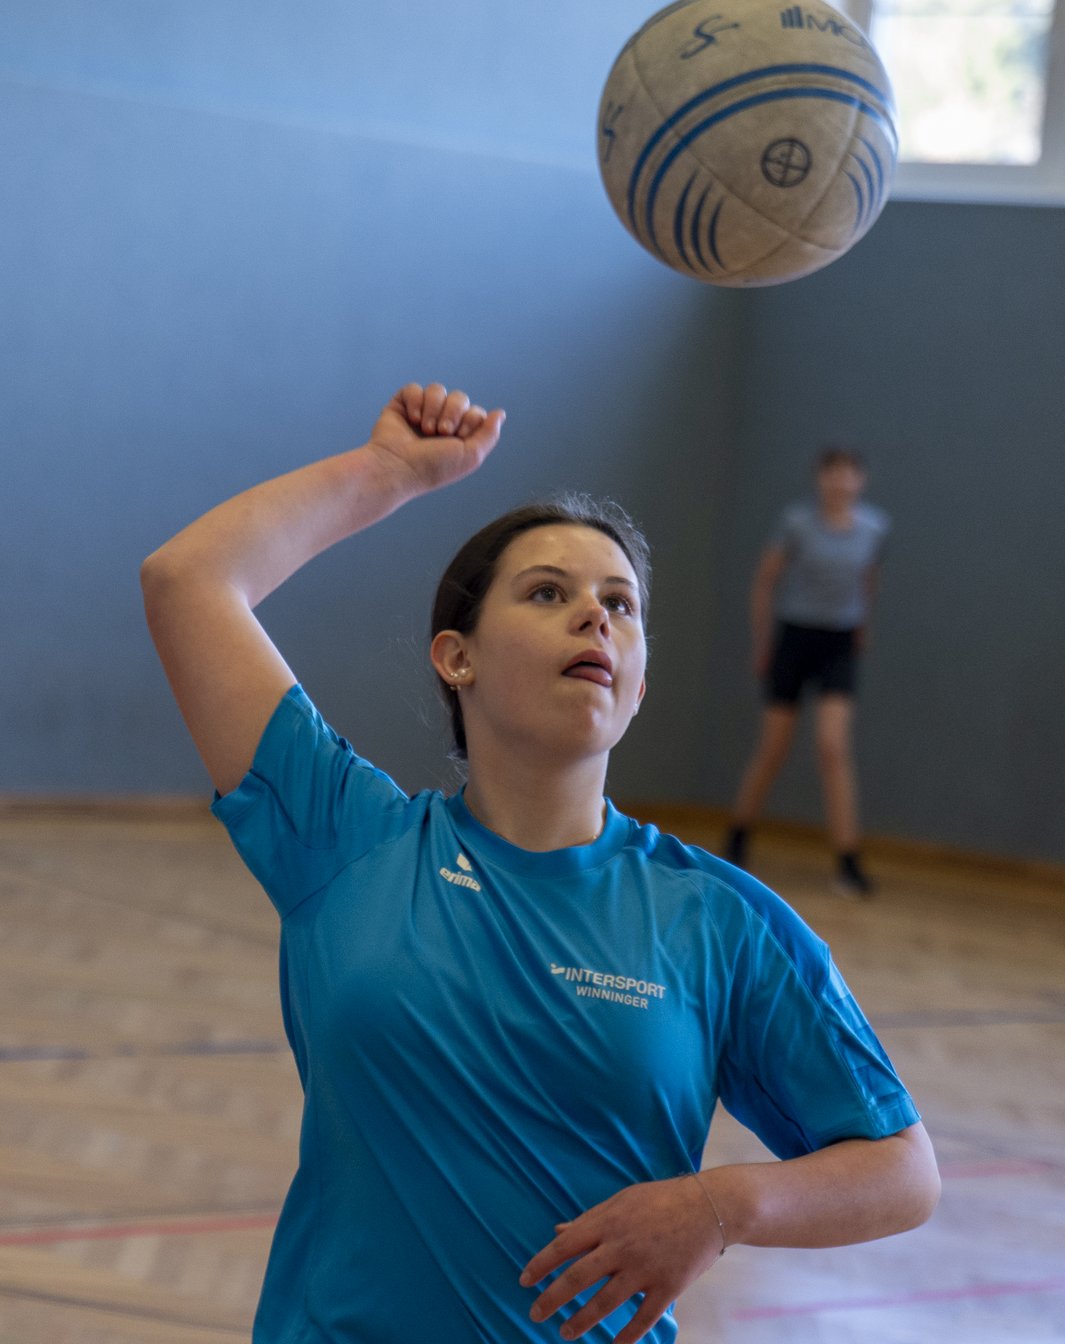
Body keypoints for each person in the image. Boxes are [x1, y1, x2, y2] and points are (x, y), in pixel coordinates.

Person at [141, 385, 937, 1344]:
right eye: (548, 593)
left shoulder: (720, 918)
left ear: (637, 685)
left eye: (620, 605)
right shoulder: (344, 839)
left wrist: (721, 1207)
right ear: (456, 657)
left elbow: (902, 1170)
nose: (594, 617)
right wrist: (387, 473)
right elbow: (187, 579)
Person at [724, 448, 889, 896]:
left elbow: (868, 581)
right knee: (773, 746)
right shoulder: (796, 524)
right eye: (832, 473)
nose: (840, 482)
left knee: (833, 747)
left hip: (839, 644)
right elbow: (765, 581)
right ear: (820, 479)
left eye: (849, 474)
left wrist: (863, 625)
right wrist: (763, 643)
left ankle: (848, 860)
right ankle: (738, 836)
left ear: (860, 480)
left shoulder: (874, 528)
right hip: (795, 640)